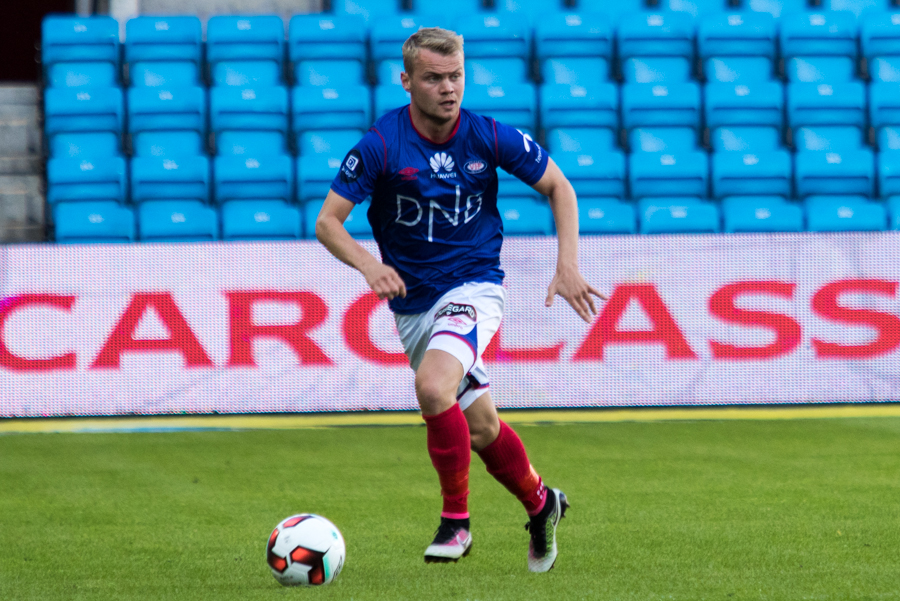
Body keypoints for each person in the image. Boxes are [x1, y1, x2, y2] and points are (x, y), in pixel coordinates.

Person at [316, 27, 605, 572]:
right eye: (434, 78)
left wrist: (567, 264)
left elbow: (559, 187)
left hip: (474, 286)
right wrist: (370, 265)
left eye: (456, 77)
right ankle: (543, 504)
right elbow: (328, 222)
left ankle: (456, 524)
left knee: (431, 386)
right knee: (481, 429)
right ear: (406, 81)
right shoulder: (381, 144)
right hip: (413, 305)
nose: (448, 89)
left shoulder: (487, 135)